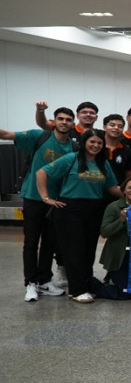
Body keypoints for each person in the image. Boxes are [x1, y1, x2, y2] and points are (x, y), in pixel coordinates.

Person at [36, 129, 122, 304]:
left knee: (88, 251)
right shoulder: (71, 158)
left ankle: (84, 285)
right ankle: (77, 290)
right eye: (92, 142)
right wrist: (46, 198)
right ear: (84, 143)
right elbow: (41, 173)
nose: (96, 145)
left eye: (99, 143)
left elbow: (112, 188)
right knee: (74, 251)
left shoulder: (103, 163)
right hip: (70, 209)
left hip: (94, 209)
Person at [0, 104, 75, 302]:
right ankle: (30, 283)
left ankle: (44, 280)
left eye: (68, 120)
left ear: (73, 124)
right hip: (33, 197)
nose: (64, 122)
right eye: (61, 119)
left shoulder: (74, 147)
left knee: (50, 243)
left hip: (56, 202)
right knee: (31, 242)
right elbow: (6, 134)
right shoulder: (39, 136)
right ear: (54, 121)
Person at [91, 177, 131, 300]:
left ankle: (112, 279)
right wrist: (121, 220)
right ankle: (92, 285)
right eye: (130, 187)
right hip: (120, 256)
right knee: (125, 294)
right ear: (124, 190)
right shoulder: (114, 207)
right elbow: (104, 232)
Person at [100, 114, 131, 191]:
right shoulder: (97, 147)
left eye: (120, 126)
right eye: (112, 125)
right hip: (97, 191)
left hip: (119, 191)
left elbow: (129, 175)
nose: (116, 128)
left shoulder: (126, 150)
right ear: (104, 127)